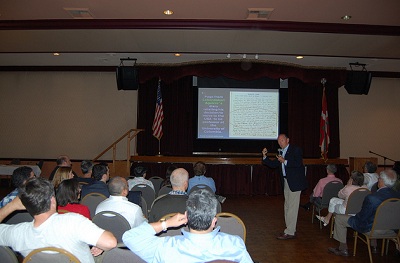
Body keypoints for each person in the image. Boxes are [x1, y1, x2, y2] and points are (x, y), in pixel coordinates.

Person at [0, 177, 117, 263]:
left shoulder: (18, 233)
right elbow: (110, 242)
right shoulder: (74, 222)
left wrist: (11, 206)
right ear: (53, 200)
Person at [123, 188, 253, 263]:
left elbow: (129, 237)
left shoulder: (165, 247)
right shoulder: (235, 244)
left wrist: (166, 223)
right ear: (214, 221)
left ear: (186, 217)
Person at [328, 169, 400, 257]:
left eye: (379, 178)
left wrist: (354, 216)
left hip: (373, 230)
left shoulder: (372, 198)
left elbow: (362, 219)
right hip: (392, 230)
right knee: (374, 218)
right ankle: (374, 247)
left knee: (339, 218)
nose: (378, 180)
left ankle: (343, 249)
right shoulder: (397, 196)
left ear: (382, 181)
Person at [262, 133, 307, 240]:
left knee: (292, 207)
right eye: (278, 141)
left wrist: (284, 161)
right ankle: (289, 229)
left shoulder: (295, 149)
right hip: (287, 181)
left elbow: (298, 163)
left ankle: (290, 231)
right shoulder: (281, 152)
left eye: (282, 140)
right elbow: (274, 165)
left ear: (287, 140)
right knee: (287, 206)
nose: (280, 143)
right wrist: (265, 157)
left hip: (295, 182)